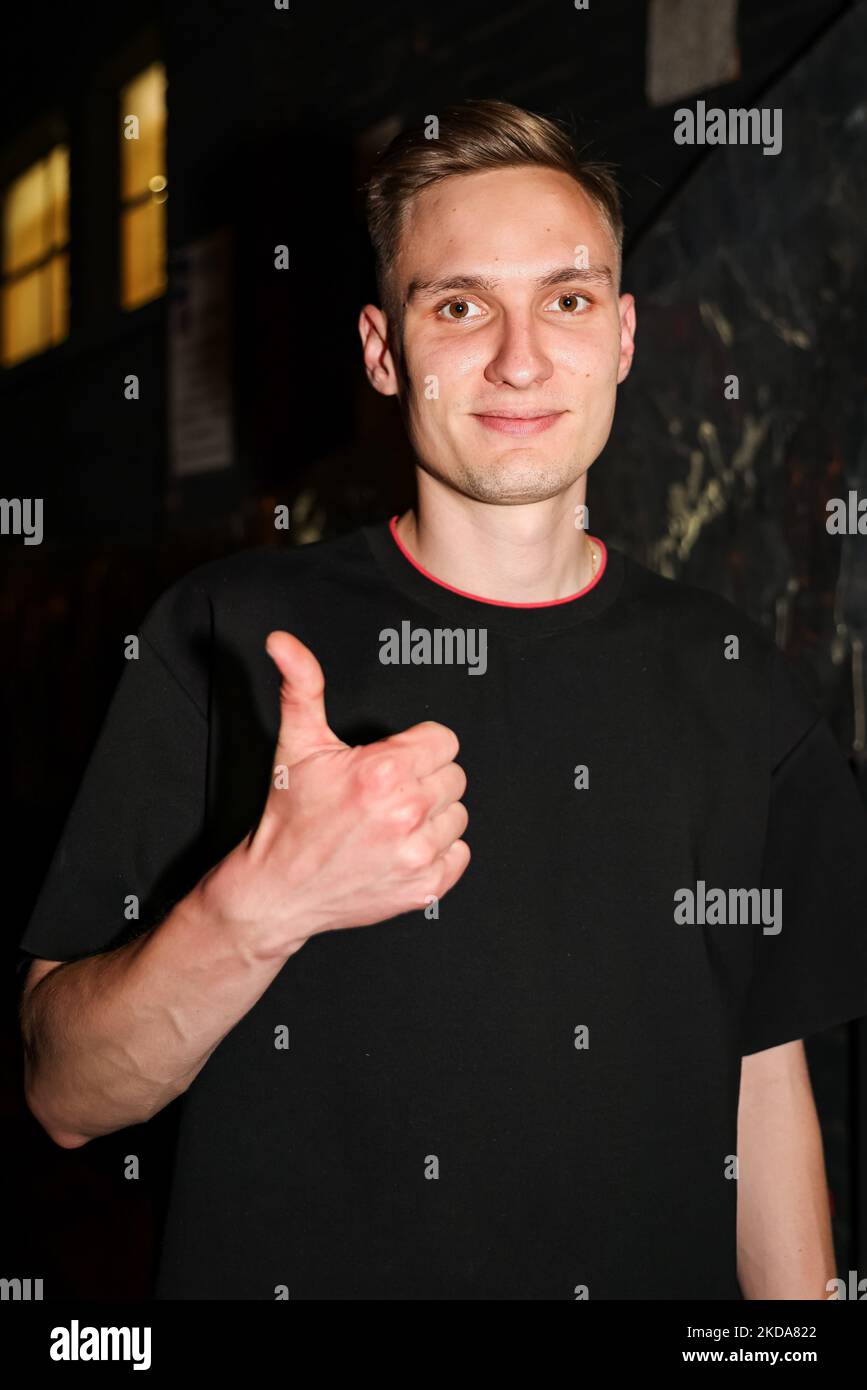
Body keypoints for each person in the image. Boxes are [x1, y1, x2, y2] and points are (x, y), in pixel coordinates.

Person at [17, 98, 867, 1300]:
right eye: (459, 305)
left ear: (623, 335)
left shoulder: (741, 678)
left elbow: (763, 1083)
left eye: (566, 300)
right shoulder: (221, 639)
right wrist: (263, 902)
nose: (520, 359)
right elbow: (62, 1091)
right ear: (381, 349)